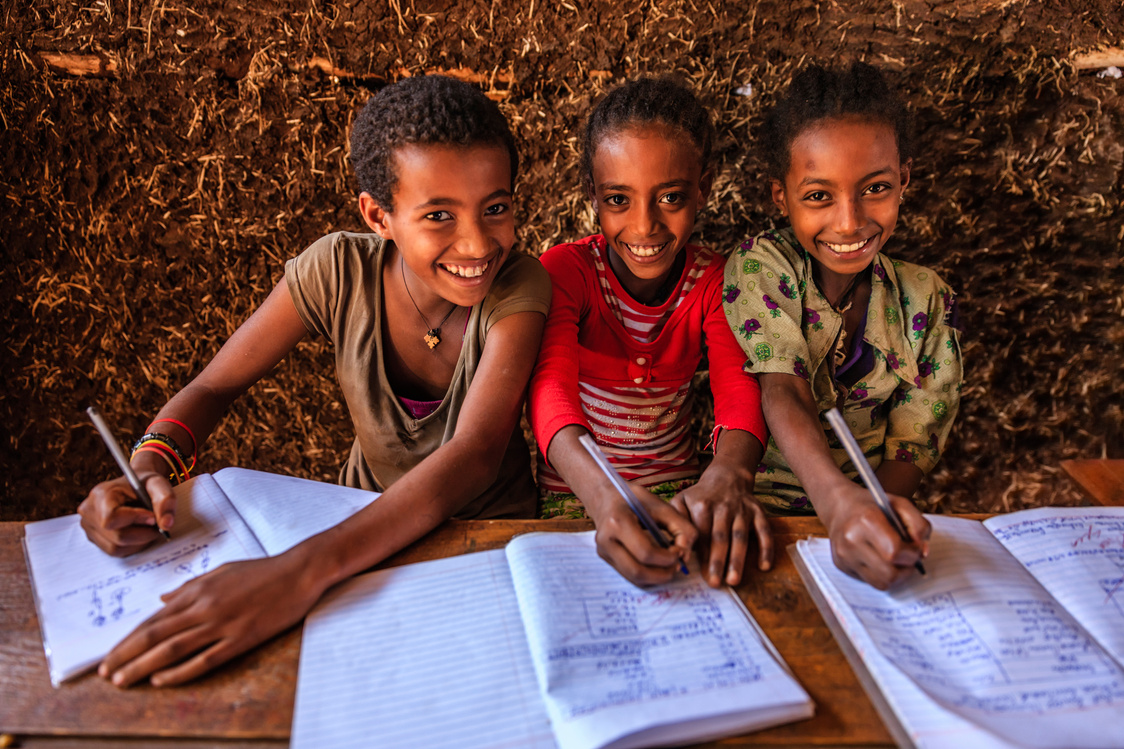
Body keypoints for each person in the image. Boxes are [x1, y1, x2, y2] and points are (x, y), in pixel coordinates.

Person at [77, 75, 551, 686]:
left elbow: (474, 455)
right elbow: (213, 388)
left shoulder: (520, 287)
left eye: (496, 208)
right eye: (438, 214)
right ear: (378, 215)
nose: (478, 242)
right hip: (354, 523)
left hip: (486, 539)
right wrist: (147, 469)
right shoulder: (337, 271)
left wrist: (295, 576)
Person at [723, 62, 963, 590]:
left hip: (867, 525)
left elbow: (916, 436)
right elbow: (781, 387)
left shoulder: (926, 299)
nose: (850, 221)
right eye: (818, 196)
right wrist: (836, 504)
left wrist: (878, 514)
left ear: (903, 180)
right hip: (762, 525)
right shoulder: (761, 268)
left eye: (874, 188)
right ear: (780, 197)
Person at [529, 77, 773, 590]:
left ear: (703, 187)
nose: (644, 226)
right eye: (619, 199)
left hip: (683, 489)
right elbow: (550, 390)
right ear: (591, 194)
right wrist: (602, 498)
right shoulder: (566, 273)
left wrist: (728, 475)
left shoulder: (715, 281)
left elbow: (738, 388)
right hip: (576, 494)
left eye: (670, 197)